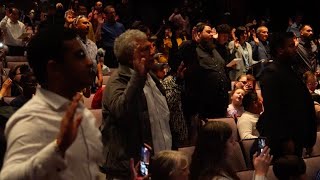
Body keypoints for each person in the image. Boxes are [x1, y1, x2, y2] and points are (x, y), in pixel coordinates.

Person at [0, 26, 103, 179]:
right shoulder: (31, 119)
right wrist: (58, 147)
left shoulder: (82, 114)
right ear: (54, 68)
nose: (89, 62)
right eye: (80, 56)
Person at [101, 29, 172, 179]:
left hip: (155, 159)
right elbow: (122, 112)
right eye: (146, 49)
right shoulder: (117, 81)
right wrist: (137, 77)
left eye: (151, 46)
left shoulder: (149, 74)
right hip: (131, 166)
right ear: (131, 56)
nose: (153, 50)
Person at [257, 32, 317, 160]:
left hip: (298, 136)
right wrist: (285, 139)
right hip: (286, 141)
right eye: (290, 46)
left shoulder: (289, 69)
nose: (295, 49)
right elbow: (274, 110)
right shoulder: (271, 72)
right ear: (280, 50)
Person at [189, 121, 272, 180]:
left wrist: (257, 170)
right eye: (231, 141)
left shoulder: (216, 168)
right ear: (218, 146)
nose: (235, 144)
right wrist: (260, 173)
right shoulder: (216, 177)